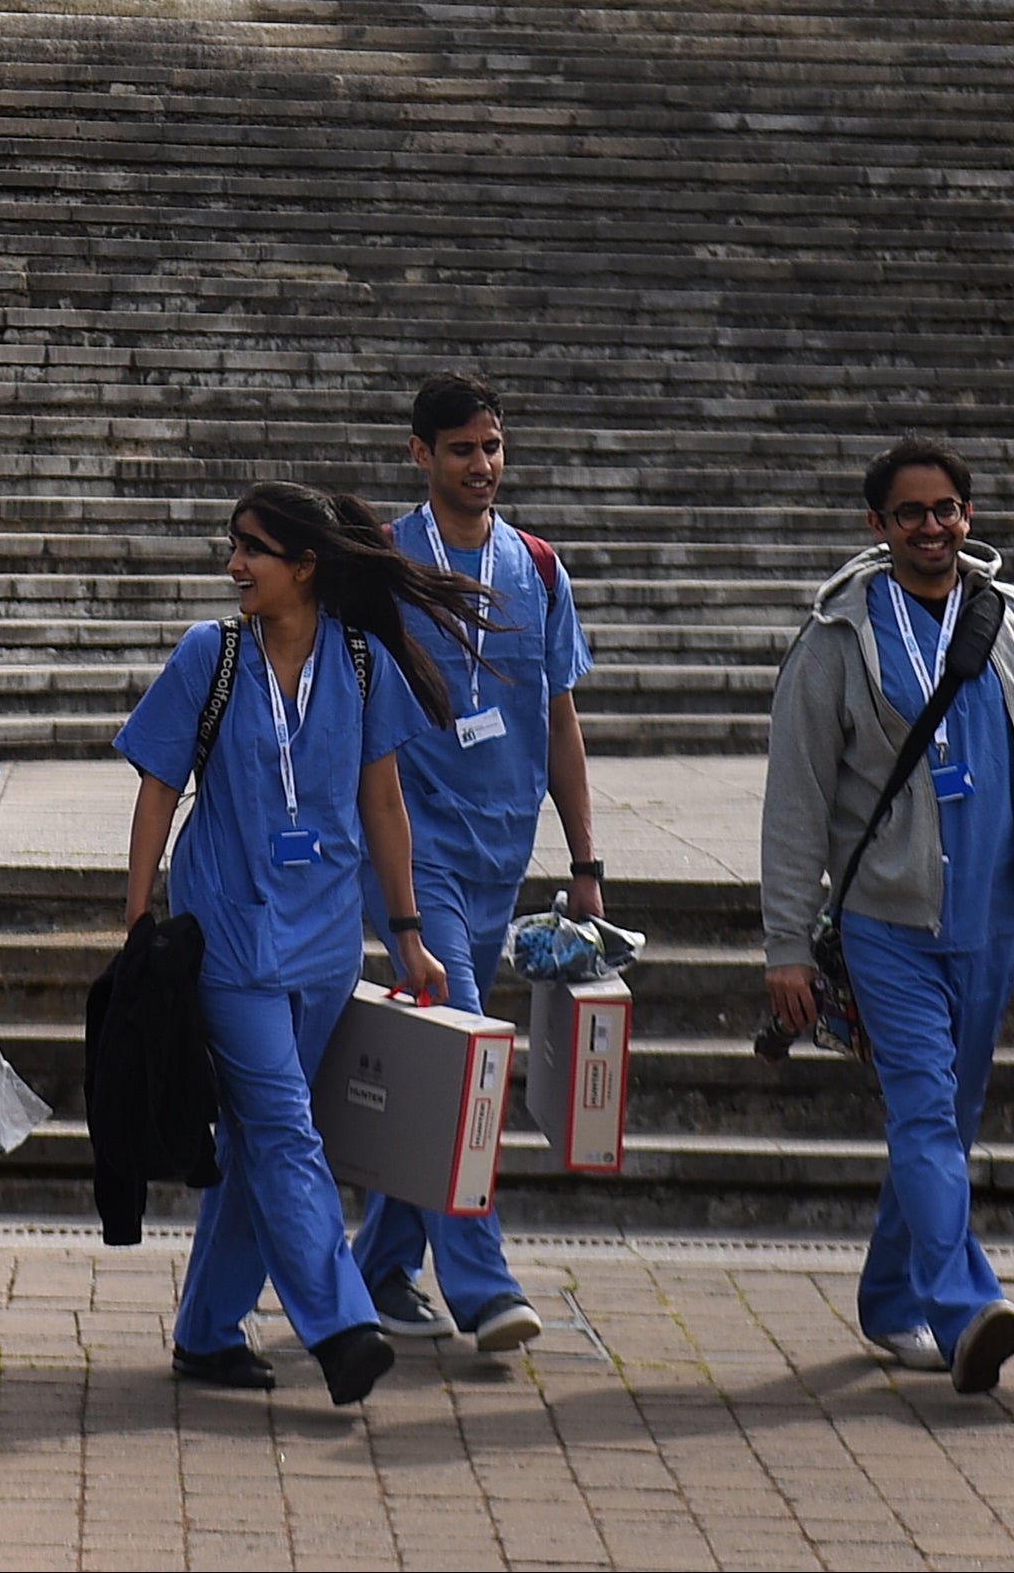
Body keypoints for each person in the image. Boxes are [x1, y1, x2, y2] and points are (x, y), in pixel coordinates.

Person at [760, 436, 1014, 1398]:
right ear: (875, 526)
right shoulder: (837, 639)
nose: (932, 528)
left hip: (995, 919)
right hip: (887, 924)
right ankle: (966, 1309)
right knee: (923, 1115)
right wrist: (785, 945)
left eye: (947, 510)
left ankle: (888, 1301)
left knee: (946, 1127)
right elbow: (794, 803)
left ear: (968, 516)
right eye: (910, 513)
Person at [116, 484, 490, 1408]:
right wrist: (136, 925)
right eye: (233, 545)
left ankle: (206, 1333)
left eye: (254, 549)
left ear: (307, 565)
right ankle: (340, 1322)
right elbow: (157, 788)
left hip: (325, 943)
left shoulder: (361, 666)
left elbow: (383, 804)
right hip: (229, 938)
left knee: (257, 1140)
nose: (235, 563)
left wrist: (405, 934)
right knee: (284, 1126)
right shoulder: (210, 654)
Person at [358, 364, 603, 1356]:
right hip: (413, 851)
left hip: (503, 845)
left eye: (493, 446)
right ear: (421, 455)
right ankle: (483, 1281)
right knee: (467, 1056)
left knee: (447, 1062)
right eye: (462, 448)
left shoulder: (538, 566)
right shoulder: (379, 560)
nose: (482, 464)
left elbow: (559, 717)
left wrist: (585, 857)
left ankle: (377, 1269)